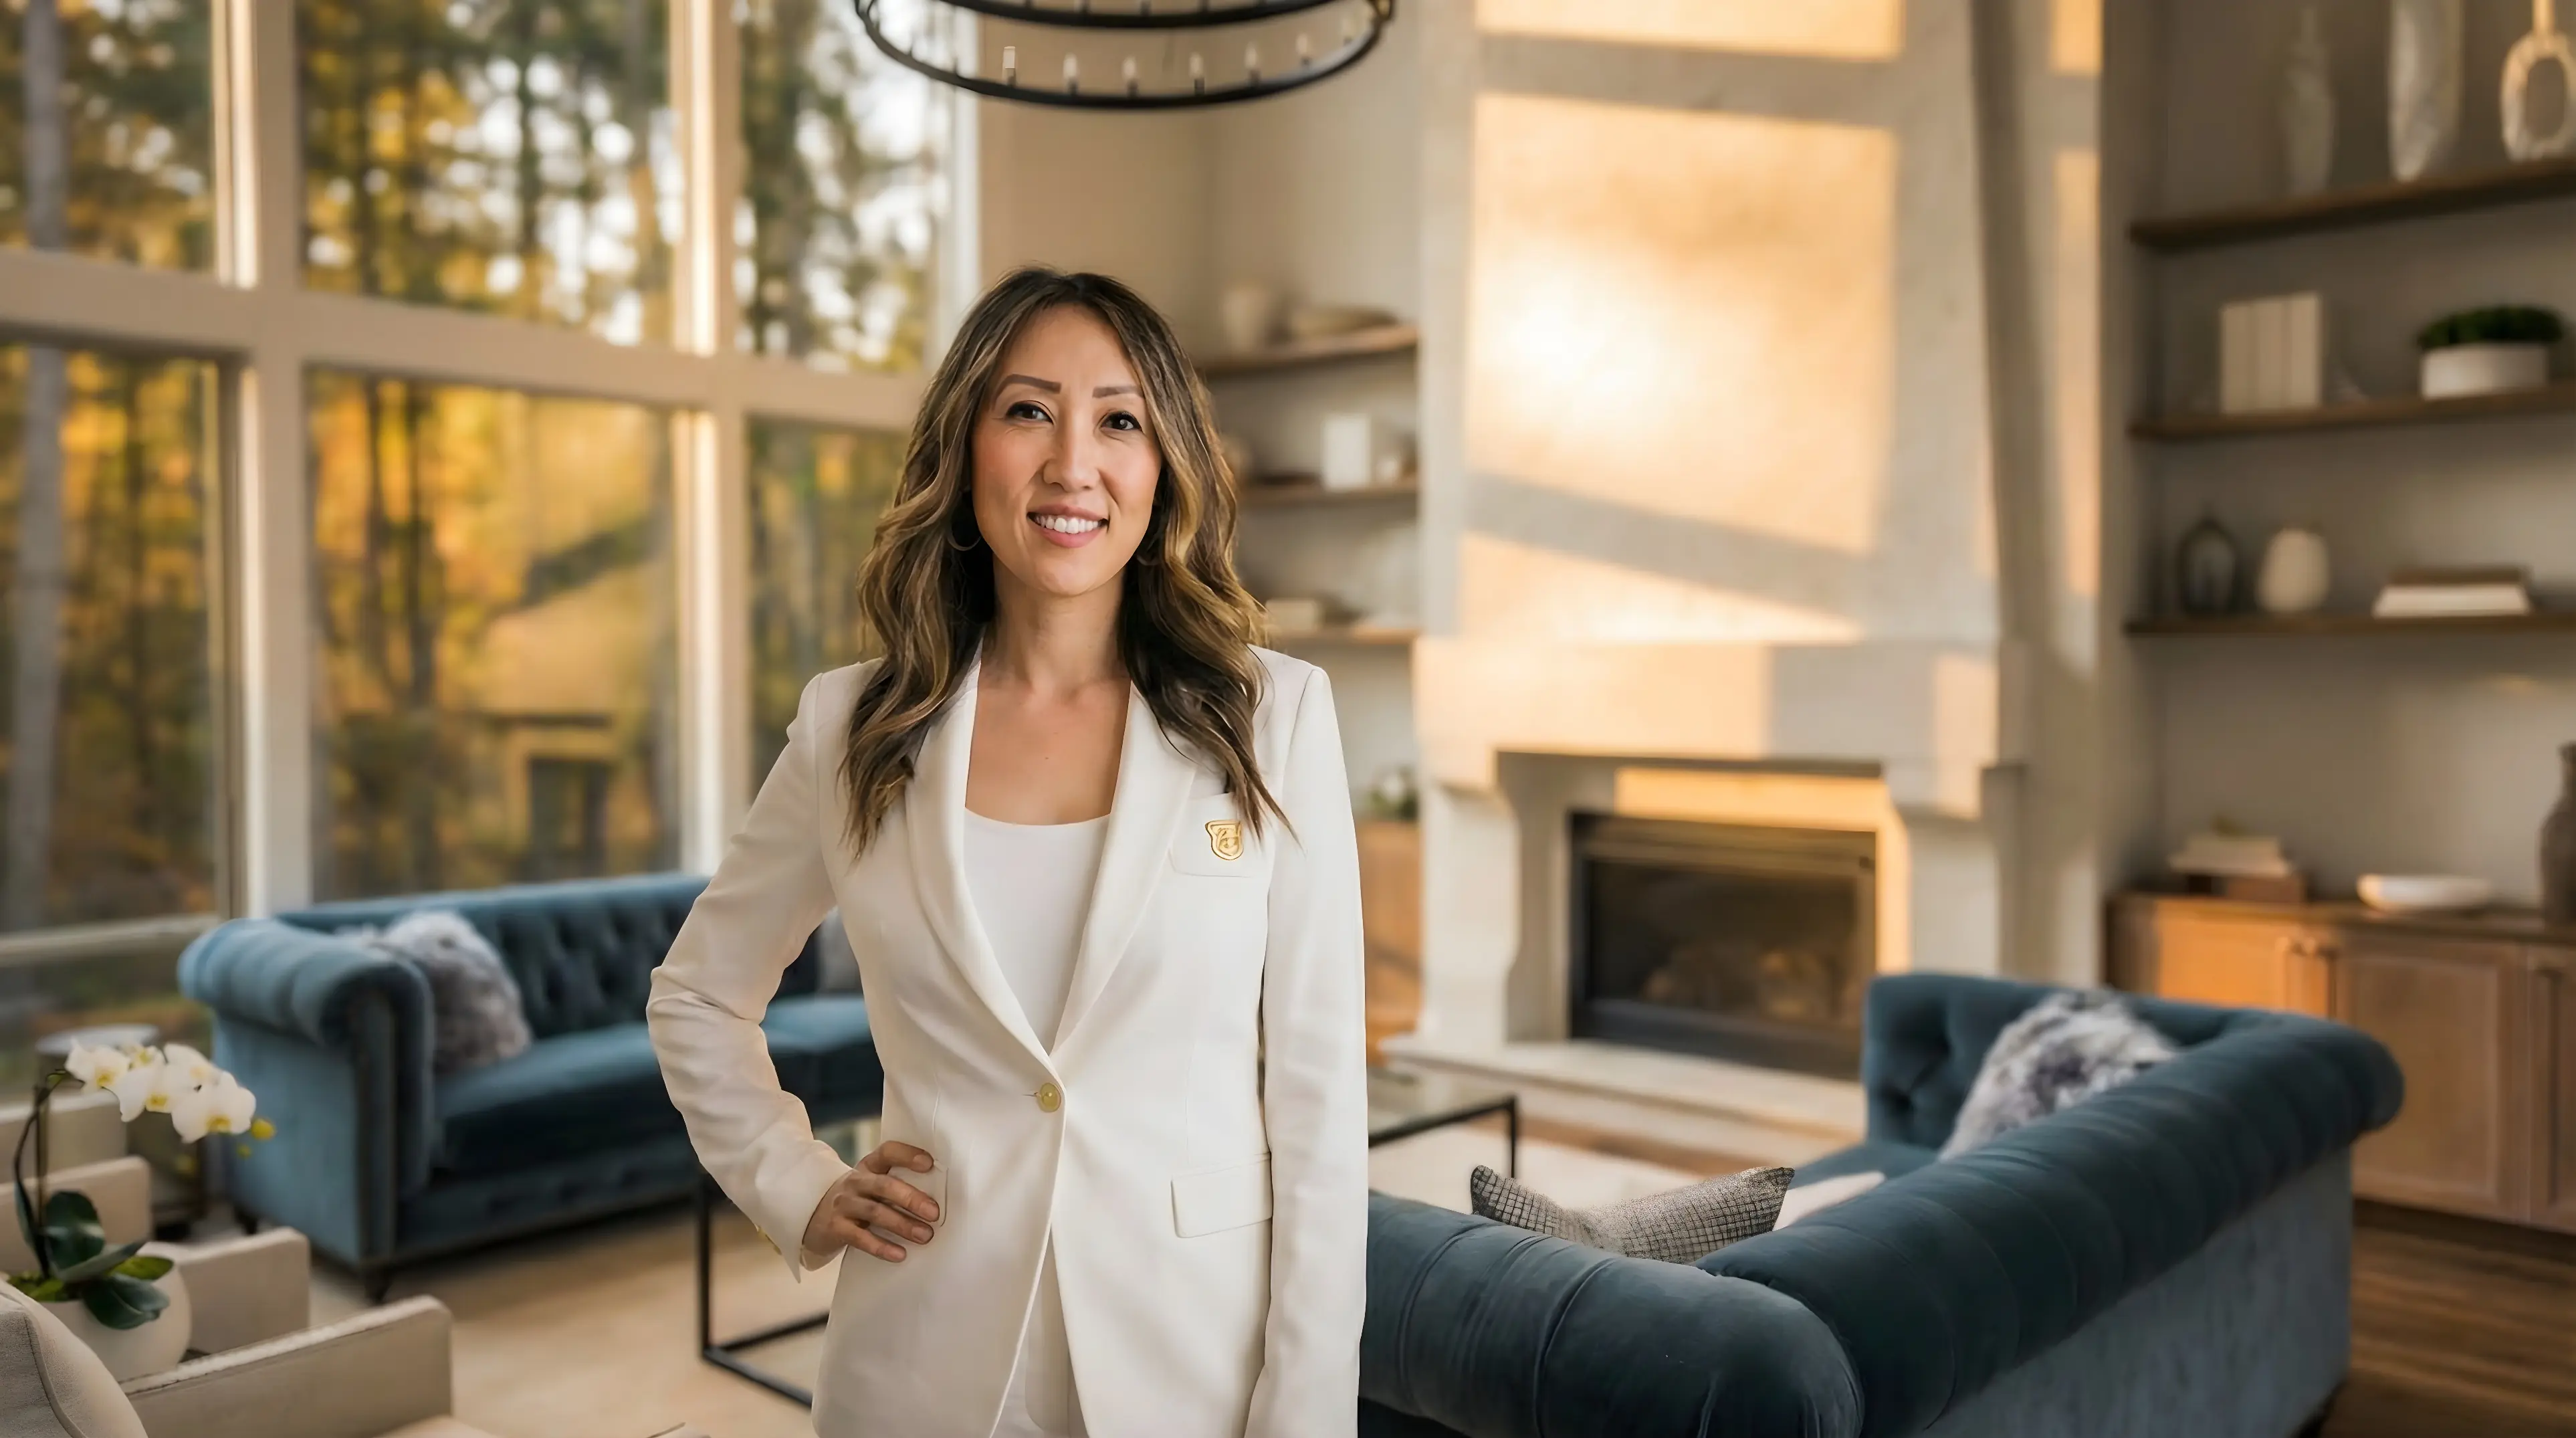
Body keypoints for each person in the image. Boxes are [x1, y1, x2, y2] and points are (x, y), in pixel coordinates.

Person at [647, 267, 1367, 1438]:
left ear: (1163, 463)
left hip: (1196, 1364)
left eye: (1119, 420)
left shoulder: (1273, 716)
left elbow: (1321, 1110)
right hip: (920, 1362)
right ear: (964, 446)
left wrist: (1306, 1419)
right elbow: (696, 997)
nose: (1072, 463)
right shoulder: (854, 727)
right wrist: (802, 1183)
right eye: (1028, 410)